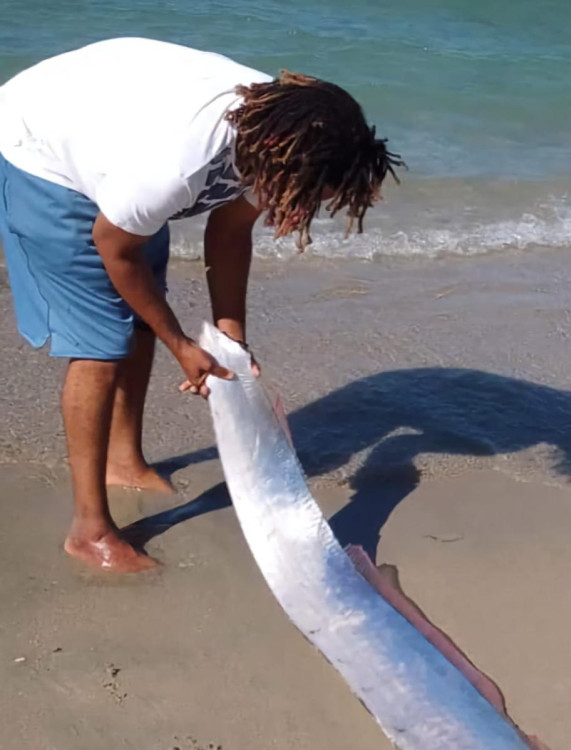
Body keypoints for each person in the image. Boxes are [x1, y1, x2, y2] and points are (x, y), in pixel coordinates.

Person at [0, 38, 400, 573]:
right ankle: (89, 530)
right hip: (39, 145)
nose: (305, 205)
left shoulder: (284, 142)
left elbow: (230, 231)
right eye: (308, 194)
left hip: (115, 134)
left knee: (140, 320)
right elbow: (114, 249)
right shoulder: (173, 165)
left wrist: (229, 338)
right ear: (281, 160)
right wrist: (181, 344)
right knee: (98, 345)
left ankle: (124, 461)